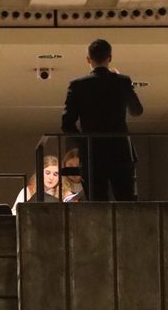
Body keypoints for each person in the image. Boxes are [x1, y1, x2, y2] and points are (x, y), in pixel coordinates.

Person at [61, 39, 144, 201]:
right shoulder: (122, 81)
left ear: (88, 59)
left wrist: (84, 142)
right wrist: (124, 84)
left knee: (97, 203)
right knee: (126, 201)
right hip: (120, 150)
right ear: (110, 58)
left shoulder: (77, 85)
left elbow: (67, 124)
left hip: (93, 152)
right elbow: (136, 111)